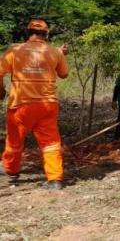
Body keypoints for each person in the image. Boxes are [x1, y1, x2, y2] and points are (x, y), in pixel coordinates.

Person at [0, 19, 68, 189]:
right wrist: (58, 55)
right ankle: (55, 179)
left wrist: (1, 91)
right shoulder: (55, 52)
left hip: (20, 105)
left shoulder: (14, 50)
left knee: (15, 141)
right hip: (48, 104)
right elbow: (64, 74)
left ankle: (11, 170)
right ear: (46, 34)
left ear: (27, 32)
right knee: (51, 142)